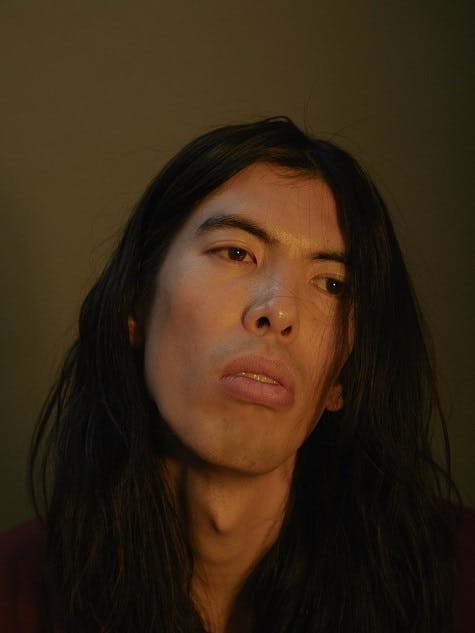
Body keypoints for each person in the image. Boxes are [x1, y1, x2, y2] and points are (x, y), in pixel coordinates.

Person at [0, 117, 473, 633]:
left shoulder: (456, 577)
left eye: (332, 284)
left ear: (343, 377)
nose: (279, 311)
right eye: (236, 252)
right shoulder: (14, 590)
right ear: (136, 306)